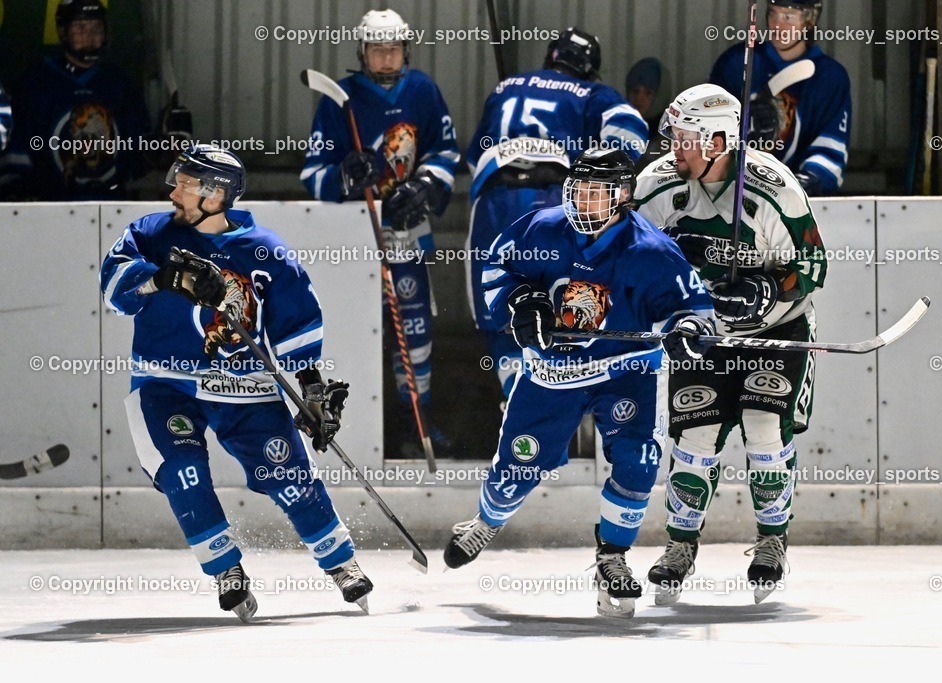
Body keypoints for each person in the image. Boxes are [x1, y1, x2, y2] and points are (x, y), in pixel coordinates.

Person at [100, 145, 374, 620]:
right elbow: (114, 290)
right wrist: (163, 278)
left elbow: (295, 326)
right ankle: (227, 570)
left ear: (216, 193)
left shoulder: (264, 250)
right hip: (167, 384)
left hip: (242, 388)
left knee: (288, 475)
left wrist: (311, 389)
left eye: (186, 183)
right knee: (184, 473)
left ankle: (340, 563)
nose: (173, 190)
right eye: (177, 179)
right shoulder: (149, 233)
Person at [443, 148, 714, 618]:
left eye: (596, 193)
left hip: (624, 372)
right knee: (516, 469)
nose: (583, 202)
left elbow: (695, 313)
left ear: (624, 196)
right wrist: (522, 300)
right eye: (579, 190)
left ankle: (612, 557)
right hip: (552, 373)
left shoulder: (652, 251)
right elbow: (496, 268)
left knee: (639, 462)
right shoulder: (542, 228)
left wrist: (687, 331)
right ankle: (488, 519)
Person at [634, 84, 828, 604]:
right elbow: (630, 260)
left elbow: (813, 267)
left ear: (719, 140)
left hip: (774, 332)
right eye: (673, 135)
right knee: (695, 438)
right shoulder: (656, 186)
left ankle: (771, 541)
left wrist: (766, 290)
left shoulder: (774, 187)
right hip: (705, 335)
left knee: (764, 431)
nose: (675, 147)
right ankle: (680, 546)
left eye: (686, 138)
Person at [301, 9, 459, 456]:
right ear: (362, 52)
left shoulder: (423, 91)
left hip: (407, 235)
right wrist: (345, 176)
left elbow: (445, 151)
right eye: (377, 49)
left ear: (405, 50)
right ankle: (360, 426)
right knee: (355, 330)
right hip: (356, 241)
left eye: (393, 49)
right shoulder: (340, 99)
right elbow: (312, 173)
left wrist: (426, 185)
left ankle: (417, 419)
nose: (386, 58)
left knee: (414, 328)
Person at [466, 27, 648, 397]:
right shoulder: (590, 92)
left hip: (493, 198)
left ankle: (515, 400)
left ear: (551, 57)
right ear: (589, 68)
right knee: (566, 304)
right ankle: (558, 400)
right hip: (550, 199)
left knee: (496, 305)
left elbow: (473, 158)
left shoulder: (506, 87)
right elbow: (632, 131)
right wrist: (605, 178)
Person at [0, 0, 150, 200]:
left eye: (96, 29)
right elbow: (18, 152)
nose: (90, 36)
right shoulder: (36, 83)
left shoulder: (119, 83)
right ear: (63, 32)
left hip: (111, 206)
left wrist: (160, 152)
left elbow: (138, 149)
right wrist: (21, 192)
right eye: (80, 28)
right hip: (49, 208)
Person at [709, 0, 851, 196]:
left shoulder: (830, 77)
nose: (777, 25)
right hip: (734, 197)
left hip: (799, 205)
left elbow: (830, 153)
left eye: (787, 17)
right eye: (773, 14)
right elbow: (708, 135)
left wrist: (795, 189)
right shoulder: (737, 63)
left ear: (809, 21)